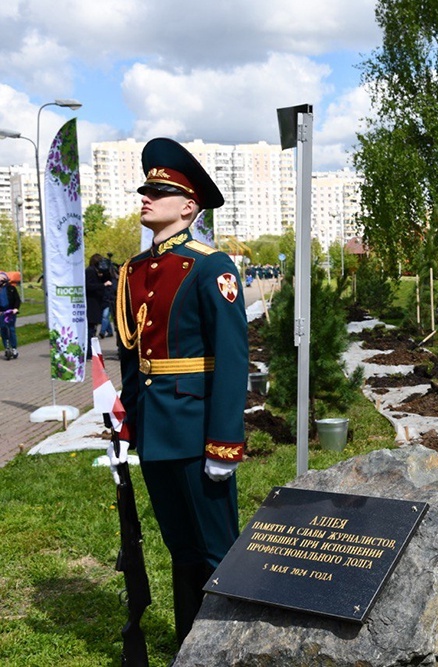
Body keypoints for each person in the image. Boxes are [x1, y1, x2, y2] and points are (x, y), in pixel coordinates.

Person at [110, 137, 249, 647]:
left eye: (157, 191)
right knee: (180, 546)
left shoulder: (211, 267)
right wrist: (131, 424)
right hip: (157, 432)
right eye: (144, 189)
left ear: (188, 206)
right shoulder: (134, 271)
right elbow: (133, 356)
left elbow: (233, 362)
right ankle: (192, 643)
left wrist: (224, 443)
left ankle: (231, 646)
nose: (144, 197)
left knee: (217, 550)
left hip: (196, 432)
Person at [85, 254, 110, 358]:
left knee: (92, 329)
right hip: (92, 304)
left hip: (96, 303)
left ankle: (91, 351)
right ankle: (89, 353)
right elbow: (88, 286)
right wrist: (102, 285)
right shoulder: (90, 271)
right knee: (90, 329)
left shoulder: (96, 272)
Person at [0, 271, 20, 360]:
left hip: (11, 312)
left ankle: (14, 348)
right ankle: (7, 348)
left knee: (11, 329)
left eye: (1, 278)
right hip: (1, 313)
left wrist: (15, 308)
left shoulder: (11, 288)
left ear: (5, 279)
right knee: (3, 329)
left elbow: (17, 299)